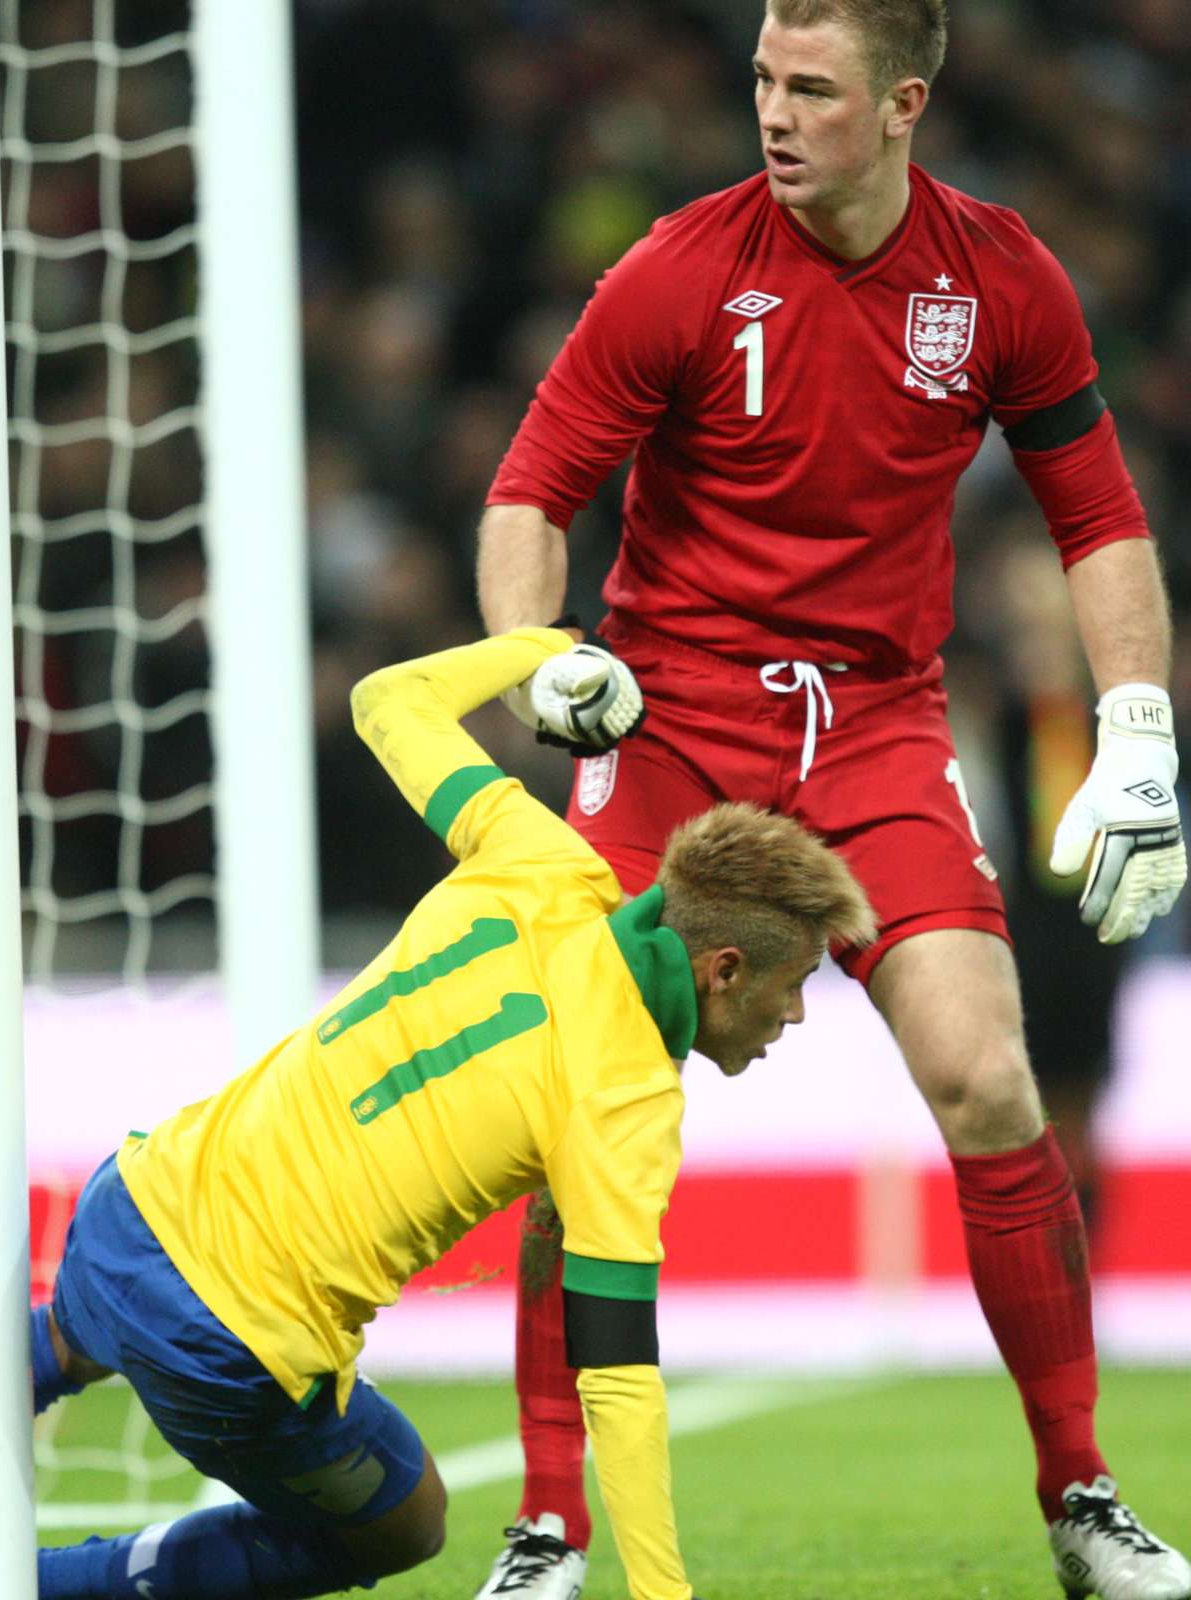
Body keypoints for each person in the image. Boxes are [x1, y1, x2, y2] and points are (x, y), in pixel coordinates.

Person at [474, 3, 1189, 1598]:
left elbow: (1098, 510)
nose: (773, 116)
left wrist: (1139, 728)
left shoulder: (1001, 278)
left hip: (872, 728)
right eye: (760, 83)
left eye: (810, 89)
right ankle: (546, 1524)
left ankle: (1082, 1499)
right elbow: (534, 486)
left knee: (990, 1079)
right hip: (673, 723)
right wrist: (538, 661)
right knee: (574, 1110)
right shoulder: (676, 268)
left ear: (905, 103)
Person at [31, 626, 876, 1600]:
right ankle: (53, 1587)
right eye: (797, 981)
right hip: (233, 1345)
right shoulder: (629, 1099)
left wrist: (549, 643)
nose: (799, 1012)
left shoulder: (540, 859)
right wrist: (661, 1593)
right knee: (405, 1521)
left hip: (128, 1204)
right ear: (724, 972)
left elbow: (386, 698)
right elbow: (617, 1379)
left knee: (64, 1337)